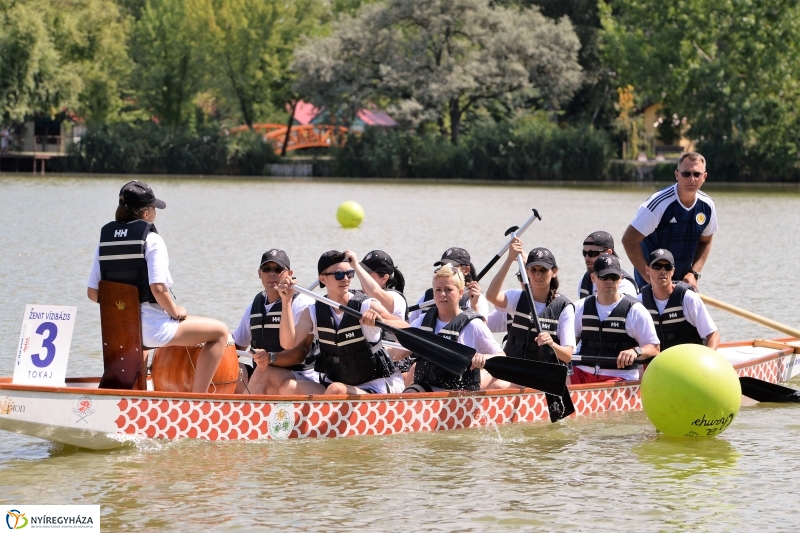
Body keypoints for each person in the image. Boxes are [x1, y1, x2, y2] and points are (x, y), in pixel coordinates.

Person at [87, 180, 228, 393]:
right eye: (153, 208)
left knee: (143, 343)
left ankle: (138, 394)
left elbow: (93, 293)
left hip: (120, 332)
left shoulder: (105, 242)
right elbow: (158, 289)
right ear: (146, 214)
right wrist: (175, 311)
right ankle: (199, 399)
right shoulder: (152, 239)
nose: (155, 212)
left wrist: (122, 308)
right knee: (220, 332)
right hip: (152, 330)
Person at [277, 250, 407, 395]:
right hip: (335, 385)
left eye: (349, 274)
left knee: (336, 390)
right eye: (339, 275)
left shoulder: (366, 305)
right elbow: (288, 343)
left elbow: (406, 328)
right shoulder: (314, 311)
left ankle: (323, 415)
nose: (345, 279)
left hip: (375, 385)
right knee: (287, 388)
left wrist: (381, 321)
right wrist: (286, 301)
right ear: (323, 279)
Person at [400, 264, 507, 392]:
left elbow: (501, 356)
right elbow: (397, 352)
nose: (442, 294)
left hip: (457, 394)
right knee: (411, 388)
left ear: (461, 293)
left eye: (448, 289)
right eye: (438, 290)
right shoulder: (422, 321)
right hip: (426, 390)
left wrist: (483, 358)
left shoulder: (473, 325)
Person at [622, 152, 718, 289]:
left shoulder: (708, 206)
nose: (692, 179)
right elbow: (629, 240)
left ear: (704, 177)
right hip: (650, 285)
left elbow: (706, 241)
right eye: (686, 174)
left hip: (682, 283)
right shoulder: (658, 203)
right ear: (677, 175)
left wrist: (694, 273)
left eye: (697, 174)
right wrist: (650, 278)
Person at [231, 249, 318, 395]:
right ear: (260, 273)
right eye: (267, 269)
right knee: (227, 369)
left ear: (289, 274)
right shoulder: (254, 307)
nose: (272, 273)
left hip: (301, 377)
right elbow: (236, 346)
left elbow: (300, 353)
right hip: (265, 373)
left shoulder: (304, 304)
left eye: (278, 269)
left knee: (264, 372)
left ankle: (240, 415)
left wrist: (270, 358)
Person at [485, 238, 575, 366]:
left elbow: (567, 356)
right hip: (513, 370)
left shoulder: (564, 308)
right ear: (526, 271)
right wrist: (509, 259)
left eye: (543, 270)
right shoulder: (516, 298)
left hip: (542, 375)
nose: (538, 275)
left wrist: (551, 344)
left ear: (554, 272)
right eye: (533, 270)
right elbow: (491, 296)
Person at [572, 254, 660, 384]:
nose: (609, 281)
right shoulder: (580, 307)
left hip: (620, 378)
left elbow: (654, 348)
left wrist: (636, 351)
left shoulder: (635, 310)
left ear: (620, 279)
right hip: (583, 373)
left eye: (613, 277)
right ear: (593, 278)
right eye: (603, 277)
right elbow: (568, 345)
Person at [638, 249, 720, 350]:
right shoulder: (640, 301)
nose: (663, 271)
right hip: (658, 362)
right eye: (657, 266)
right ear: (647, 270)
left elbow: (713, 335)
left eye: (668, 267)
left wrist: (708, 360)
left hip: (689, 360)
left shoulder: (688, 298)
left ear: (673, 271)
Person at [353, 250, 413, 384]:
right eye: (361, 271)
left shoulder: (395, 298)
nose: (360, 276)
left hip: (396, 368)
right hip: (371, 364)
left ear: (384, 278)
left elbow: (375, 292)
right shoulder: (361, 298)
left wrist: (355, 266)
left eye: (366, 273)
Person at [408, 247, 488, 323]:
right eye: (443, 267)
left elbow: (481, 330)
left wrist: (475, 304)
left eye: (452, 267)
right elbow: (409, 326)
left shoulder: (476, 297)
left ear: (466, 270)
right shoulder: (428, 295)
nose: (446, 270)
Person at [578, 231, 638, 299]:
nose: (587, 258)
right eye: (584, 253)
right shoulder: (584, 282)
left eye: (592, 253)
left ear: (608, 253)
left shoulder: (625, 285)